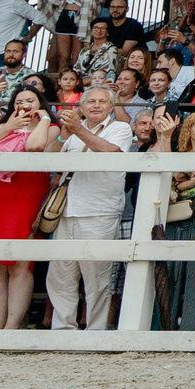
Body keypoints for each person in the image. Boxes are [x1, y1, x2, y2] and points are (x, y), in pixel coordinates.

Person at [44, 83, 135, 331]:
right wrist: (63, 134)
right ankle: (63, 331)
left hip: (99, 211)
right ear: (81, 106)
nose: (96, 105)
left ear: (111, 107)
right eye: (91, 101)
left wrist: (77, 130)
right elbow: (48, 157)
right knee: (60, 276)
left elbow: (110, 152)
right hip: (65, 210)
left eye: (102, 102)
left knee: (97, 278)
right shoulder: (74, 129)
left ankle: (95, 331)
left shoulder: (121, 128)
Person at [0, 85, 59, 330]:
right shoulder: (4, 128)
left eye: (30, 100)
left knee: (21, 262)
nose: (25, 104)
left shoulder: (50, 127)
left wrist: (42, 117)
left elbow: (34, 146)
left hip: (27, 194)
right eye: (19, 100)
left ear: (39, 102)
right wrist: (9, 127)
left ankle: (12, 326)